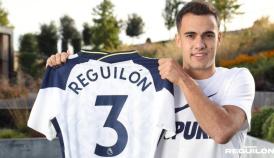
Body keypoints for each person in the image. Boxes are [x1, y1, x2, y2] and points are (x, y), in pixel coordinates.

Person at [46, 1, 255, 158]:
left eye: (208, 35)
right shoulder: (149, 84)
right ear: (178, 40)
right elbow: (93, 98)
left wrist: (182, 79)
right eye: (191, 35)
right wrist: (64, 72)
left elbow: (222, 131)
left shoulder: (237, 78)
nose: (199, 43)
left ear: (219, 38)